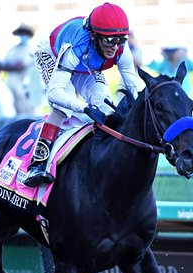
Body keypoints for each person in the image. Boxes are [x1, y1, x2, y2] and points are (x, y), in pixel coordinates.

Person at [23, 2, 144, 187]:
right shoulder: (78, 44)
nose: (115, 46)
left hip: (86, 64)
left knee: (104, 105)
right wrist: (85, 108)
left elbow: (133, 86)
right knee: (63, 107)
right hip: (53, 55)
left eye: (120, 39)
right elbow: (55, 93)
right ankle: (37, 164)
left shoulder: (121, 48)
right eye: (110, 40)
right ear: (94, 35)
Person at [1, 23, 45, 115]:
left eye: (25, 33)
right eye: (21, 33)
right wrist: (13, 66)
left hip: (27, 87)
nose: (23, 36)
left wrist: (12, 66)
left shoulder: (32, 50)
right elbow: (3, 66)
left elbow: (20, 65)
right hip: (13, 86)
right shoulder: (12, 50)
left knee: (29, 113)